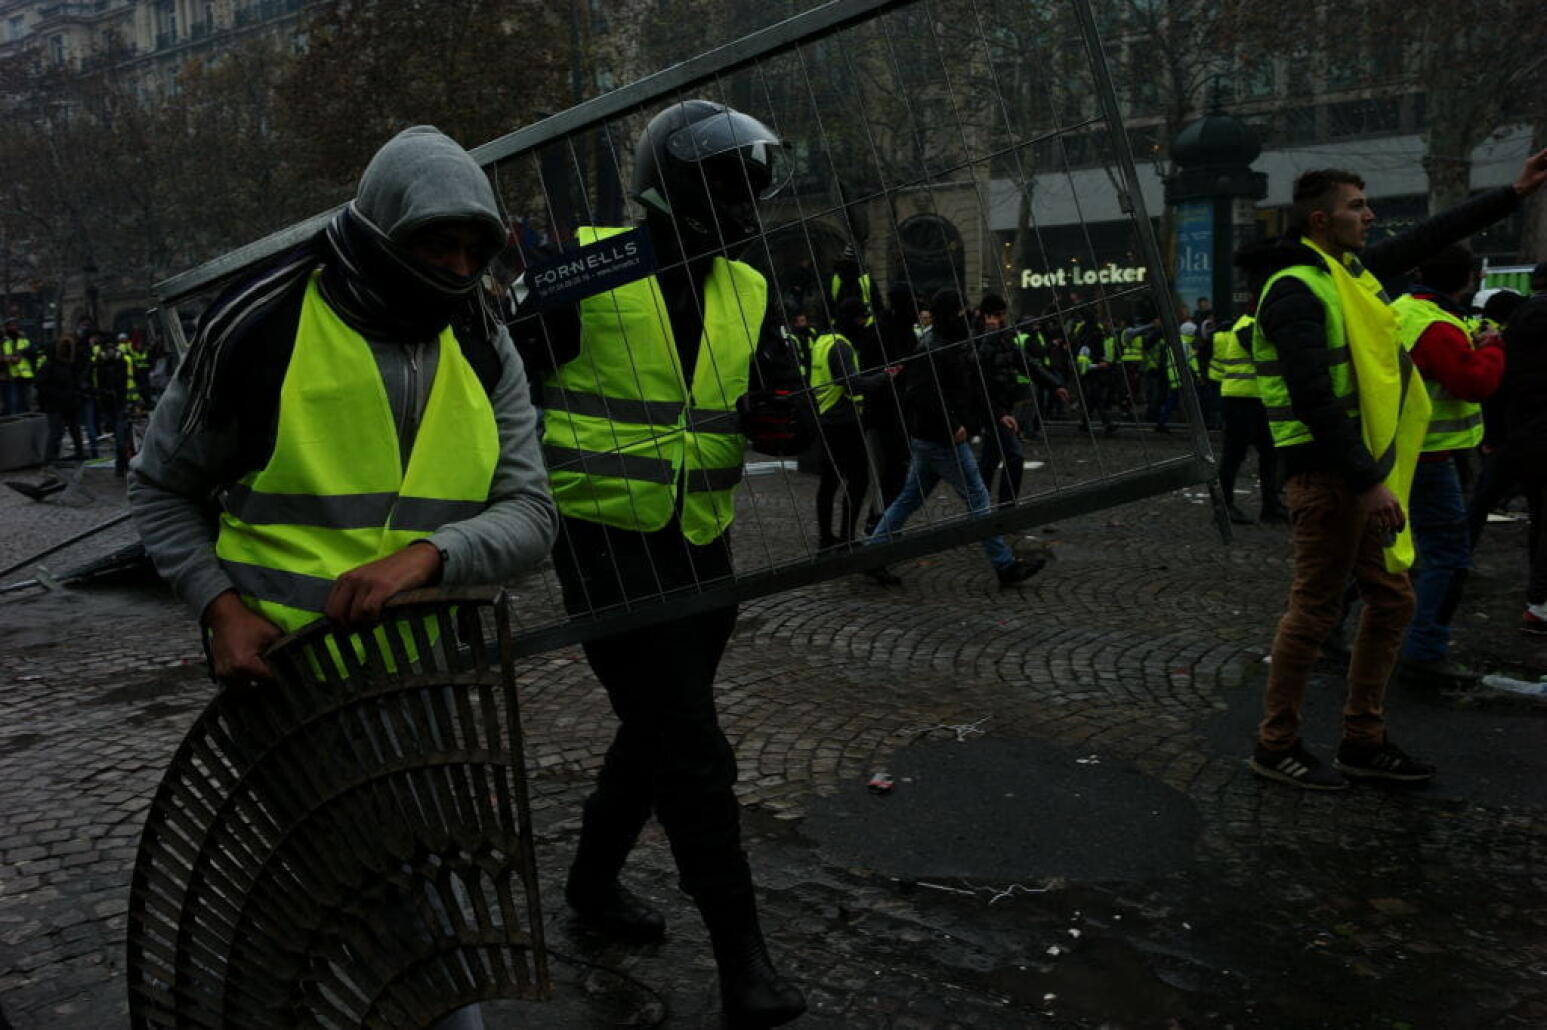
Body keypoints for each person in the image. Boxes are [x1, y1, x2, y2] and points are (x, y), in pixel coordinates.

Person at [129, 126, 559, 1030]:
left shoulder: (484, 336)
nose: (453, 267)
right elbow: (162, 488)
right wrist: (220, 609)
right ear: (378, 235)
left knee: (418, 914)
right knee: (353, 910)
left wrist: (429, 557)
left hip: (433, 691)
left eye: (472, 250)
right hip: (286, 693)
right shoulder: (260, 324)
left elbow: (531, 516)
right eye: (433, 245)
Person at [510, 99, 809, 1028]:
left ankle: (592, 884)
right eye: (729, 184)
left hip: (699, 540)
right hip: (602, 546)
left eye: (753, 184)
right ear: (678, 186)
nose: (748, 204)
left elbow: (775, 401)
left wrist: (790, 420)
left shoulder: (749, 284)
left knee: (654, 729)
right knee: (690, 747)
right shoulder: (584, 267)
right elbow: (500, 394)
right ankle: (742, 963)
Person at [1238, 151, 1547, 791]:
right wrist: (1367, 480)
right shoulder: (1297, 288)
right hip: (1330, 476)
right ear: (1322, 221)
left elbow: (1427, 237)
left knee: (1390, 598)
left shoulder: (1343, 273)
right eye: (1357, 205)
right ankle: (1277, 743)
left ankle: (1363, 738)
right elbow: (1314, 398)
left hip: (1359, 471)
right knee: (1316, 611)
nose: (1370, 215)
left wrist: (1513, 193)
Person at [863, 288, 1045, 588]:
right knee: (977, 496)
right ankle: (1005, 565)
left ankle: (872, 553)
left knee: (909, 498)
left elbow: (970, 387)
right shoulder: (933, 346)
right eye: (960, 311)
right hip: (941, 439)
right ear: (950, 313)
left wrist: (997, 413)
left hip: (934, 437)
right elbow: (922, 393)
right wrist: (951, 425)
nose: (966, 315)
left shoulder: (948, 342)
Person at [1389, 244, 1504, 686]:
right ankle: (1425, 648)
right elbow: (1473, 383)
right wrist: (1493, 348)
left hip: (1398, 449)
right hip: (1429, 455)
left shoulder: (1403, 309)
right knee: (1448, 556)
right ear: (1468, 279)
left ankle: (1331, 626)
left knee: (1383, 549)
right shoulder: (1438, 325)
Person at [811, 297, 890, 549]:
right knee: (858, 480)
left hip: (826, 419)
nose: (864, 323)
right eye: (861, 318)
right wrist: (882, 378)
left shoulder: (821, 341)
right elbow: (851, 382)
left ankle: (826, 537)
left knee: (829, 481)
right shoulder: (841, 346)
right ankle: (846, 536)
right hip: (845, 421)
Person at [1495, 262, 1547, 635]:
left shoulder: (1518, 320)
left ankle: (1538, 596)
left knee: (1539, 513)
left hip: (1523, 430)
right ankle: (1540, 603)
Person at [976, 294, 1066, 504]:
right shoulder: (979, 337)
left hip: (1003, 406)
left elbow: (1027, 363)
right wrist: (989, 336)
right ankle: (1004, 506)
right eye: (999, 315)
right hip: (991, 408)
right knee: (1014, 456)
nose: (1003, 318)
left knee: (989, 459)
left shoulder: (1004, 337)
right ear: (989, 316)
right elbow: (980, 373)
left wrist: (1055, 384)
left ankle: (979, 505)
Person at [1209, 299, 1284, 525]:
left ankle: (1271, 507)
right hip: (1241, 398)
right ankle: (1224, 507)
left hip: (1256, 398)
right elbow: (1261, 349)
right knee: (1234, 454)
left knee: (1269, 454)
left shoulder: (1250, 323)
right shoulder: (1246, 325)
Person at [35, 336, 87, 466]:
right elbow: (40, 384)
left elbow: (75, 382)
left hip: (69, 402)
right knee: (56, 431)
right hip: (55, 404)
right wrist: (55, 395)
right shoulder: (49, 366)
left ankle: (78, 453)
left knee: (74, 429)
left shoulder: (69, 365)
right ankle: (50, 457)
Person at [2, 319, 36, 415]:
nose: (14, 327)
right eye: (11, 325)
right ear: (7, 327)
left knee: (26, 401)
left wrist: (22, 352)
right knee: (15, 402)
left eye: (15, 325)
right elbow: (7, 357)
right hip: (12, 376)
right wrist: (12, 358)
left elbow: (32, 351)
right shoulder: (5, 341)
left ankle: (26, 416)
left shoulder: (24, 340)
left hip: (25, 376)